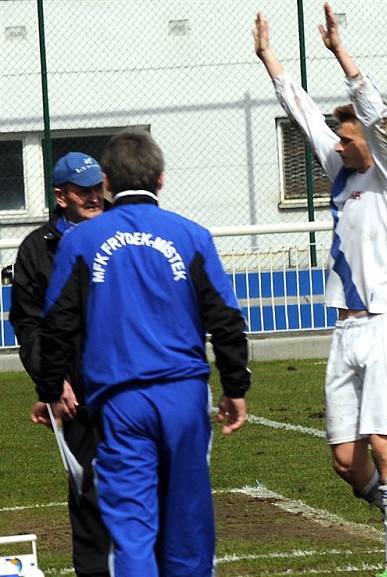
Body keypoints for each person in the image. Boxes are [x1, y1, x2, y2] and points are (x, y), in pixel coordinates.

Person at [253, 6, 387, 577]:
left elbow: (378, 115)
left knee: (386, 449)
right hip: (347, 327)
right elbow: (302, 111)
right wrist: (268, 59)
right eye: (338, 133)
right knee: (345, 461)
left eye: (348, 131)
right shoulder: (340, 172)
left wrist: (341, 52)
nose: (338, 139)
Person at [34, 130, 250, 577]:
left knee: (131, 529)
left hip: (121, 401)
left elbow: (56, 323)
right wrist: (235, 387)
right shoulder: (192, 236)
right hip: (185, 397)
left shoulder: (82, 241)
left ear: (107, 181)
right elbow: (225, 318)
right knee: (188, 523)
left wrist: (53, 386)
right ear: (162, 178)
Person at [10, 152, 111, 577]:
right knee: (86, 493)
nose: (93, 197)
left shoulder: (118, 231)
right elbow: (28, 324)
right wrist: (53, 383)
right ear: (60, 195)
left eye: (97, 188)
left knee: (143, 487)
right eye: (83, 190)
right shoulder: (37, 248)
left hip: (127, 385)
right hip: (73, 394)